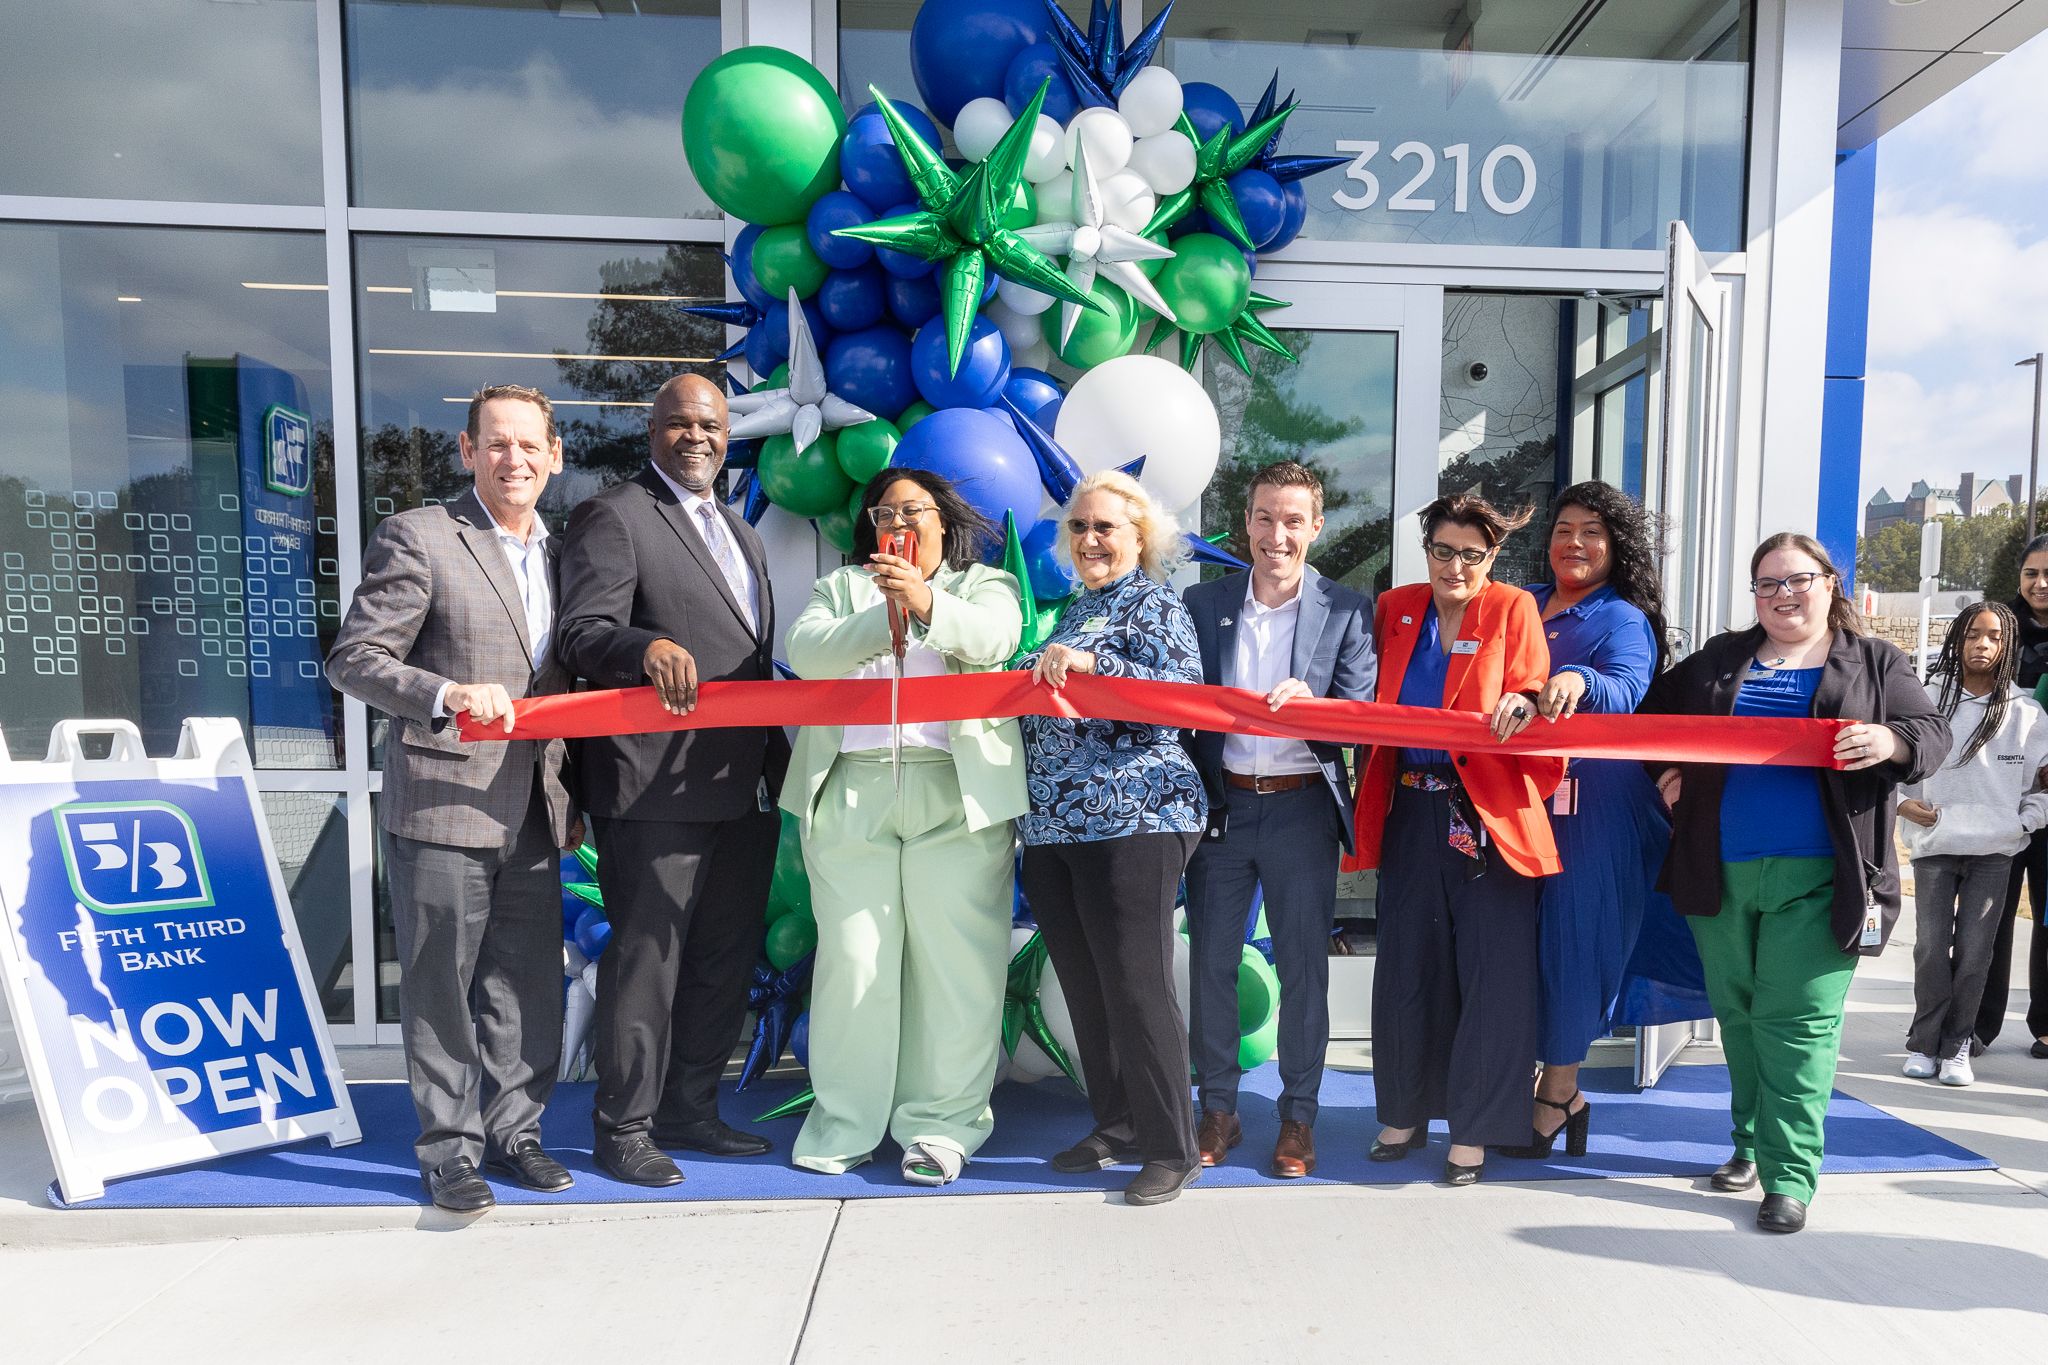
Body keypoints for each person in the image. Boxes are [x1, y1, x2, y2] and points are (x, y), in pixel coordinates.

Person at [1640, 532, 1948, 1234]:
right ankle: (1748, 1143)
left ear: (1830, 583)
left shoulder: (1875, 660)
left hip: (1824, 878)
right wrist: (1666, 773)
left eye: (1797, 579)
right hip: (1718, 873)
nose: (1783, 594)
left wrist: (1889, 741)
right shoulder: (1721, 660)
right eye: (1767, 584)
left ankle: (1790, 1176)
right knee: (1741, 1015)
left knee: (1799, 1023)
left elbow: (1931, 732)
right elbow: (1647, 718)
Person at [326, 384, 580, 1212]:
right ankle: (449, 1150)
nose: (515, 459)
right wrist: (445, 695)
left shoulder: (562, 552)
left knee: (526, 986)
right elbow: (355, 659)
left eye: (529, 445)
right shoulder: (421, 535)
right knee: (442, 986)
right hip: (441, 801)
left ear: (555, 456)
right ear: (467, 452)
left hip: (537, 807)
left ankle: (517, 1135)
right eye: (496, 444)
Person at [555, 372, 788, 1188]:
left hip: (740, 786)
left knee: (723, 958)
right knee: (648, 958)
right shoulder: (615, 516)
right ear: (651, 430)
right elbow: (583, 632)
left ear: (731, 436)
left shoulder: (741, 532)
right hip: (652, 787)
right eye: (680, 423)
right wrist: (644, 647)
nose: (698, 437)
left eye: (713, 425)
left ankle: (691, 1107)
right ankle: (624, 1126)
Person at [780, 469, 1026, 1185]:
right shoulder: (843, 587)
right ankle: (844, 1122)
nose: (899, 522)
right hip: (852, 790)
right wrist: (881, 614)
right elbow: (807, 652)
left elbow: (994, 640)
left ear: (943, 523)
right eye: (885, 511)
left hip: (955, 790)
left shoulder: (985, 582)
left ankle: (942, 1127)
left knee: (957, 968)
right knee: (855, 960)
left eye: (913, 510)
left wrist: (924, 603)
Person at [1351, 494, 1562, 1187]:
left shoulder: (1512, 608)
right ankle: (1403, 1112)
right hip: (1412, 808)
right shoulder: (1396, 606)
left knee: (1492, 976)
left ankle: (1474, 1130)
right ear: (1426, 550)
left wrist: (1526, 699)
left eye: (1473, 553)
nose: (1456, 565)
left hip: (1486, 816)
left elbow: (1531, 682)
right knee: (1406, 968)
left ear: (1493, 558)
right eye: (1444, 549)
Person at [1018, 469, 1207, 1207]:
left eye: (1106, 527)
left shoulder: (1155, 604)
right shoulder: (1070, 611)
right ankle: (1118, 1121)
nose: (1090, 539)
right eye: (1080, 527)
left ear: (1140, 538)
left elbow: (1181, 699)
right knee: (1088, 985)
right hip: (1056, 825)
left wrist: (1101, 666)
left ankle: (1172, 1146)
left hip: (1136, 818)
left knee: (1135, 982)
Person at [1181, 461, 1376, 1178]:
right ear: (1248, 521)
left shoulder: (1350, 610)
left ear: (1316, 526)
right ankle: (1220, 1109)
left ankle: (1298, 1117)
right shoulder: (1205, 604)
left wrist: (1315, 707)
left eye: (1293, 519)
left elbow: (1359, 715)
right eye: (1266, 517)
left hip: (1301, 809)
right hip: (1224, 808)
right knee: (1212, 965)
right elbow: (1176, 704)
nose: (1278, 534)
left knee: (1303, 971)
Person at [1496, 481, 1671, 1159]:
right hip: (1516, 804)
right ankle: (1526, 1081)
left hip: (1594, 810)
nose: (1574, 541)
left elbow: (1625, 688)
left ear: (1614, 545)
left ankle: (1558, 1092)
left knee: (1575, 947)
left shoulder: (1623, 618)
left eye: (1591, 531)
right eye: (1564, 528)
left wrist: (1579, 682)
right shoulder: (1523, 604)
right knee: (1516, 949)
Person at [1898, 602, 2048, 1086]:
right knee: (1930, 947)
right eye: (1972, 635)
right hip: (1935, 842)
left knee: (1975, 952)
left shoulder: (2026, 712)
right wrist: (1902, 804)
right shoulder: (1927, 700)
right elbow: (1895, 762)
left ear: (2008, 647)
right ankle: (1925, 1042)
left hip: (1995, 852)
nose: (1982, 645)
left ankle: (1958, 1044)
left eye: (1994, 637)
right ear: (1957, 641)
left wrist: (2022, 823)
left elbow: (2041, 787)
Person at [1978, 533, 2048, 1058]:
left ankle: (2046, 1023)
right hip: (2000, 795)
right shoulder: (2000, 631)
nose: (2040, 584)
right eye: (2031, 573)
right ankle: (1975, 1023)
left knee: (2047, 914)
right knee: (1989, 913)